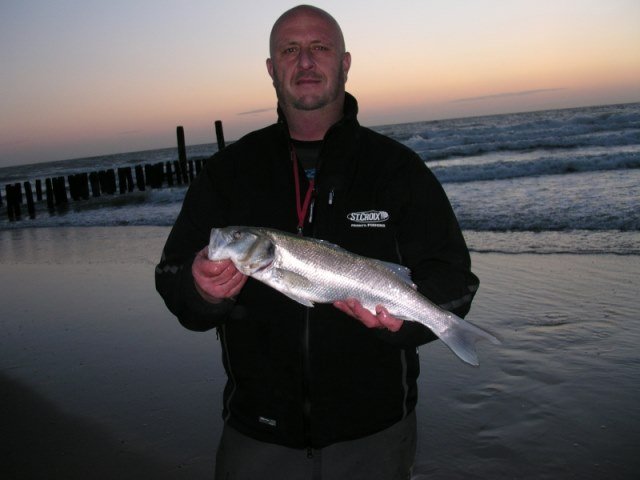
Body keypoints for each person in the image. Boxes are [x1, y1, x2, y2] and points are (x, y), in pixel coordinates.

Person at [155, 5, 479, 479]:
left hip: (376, 434)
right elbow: (172, 279)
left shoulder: (398, 169)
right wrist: (202, 291)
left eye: (320, 48)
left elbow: (454, 277)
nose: (305, 61)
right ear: (271, 69)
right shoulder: (227, 173)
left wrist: (407, 324)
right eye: (290, 50)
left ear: (345, 62)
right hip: (257, 434)